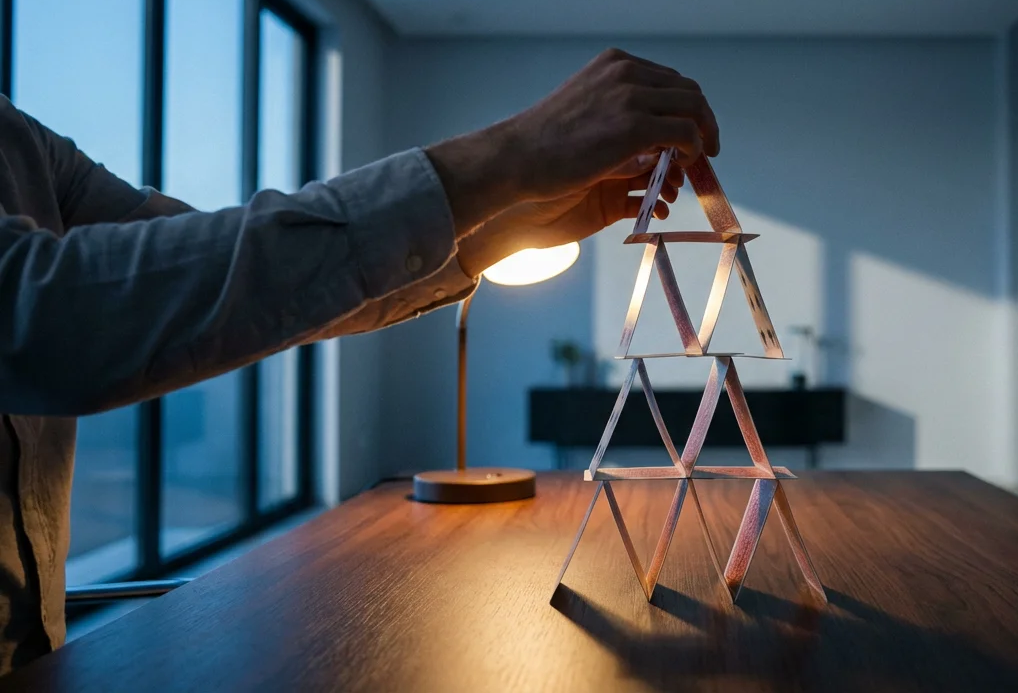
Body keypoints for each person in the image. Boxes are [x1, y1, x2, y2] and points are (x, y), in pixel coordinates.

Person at [0, 48, 718, 672]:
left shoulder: (24, 142)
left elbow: (253, 284)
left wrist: (493, 233)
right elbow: (45, 322)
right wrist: (508, 155)